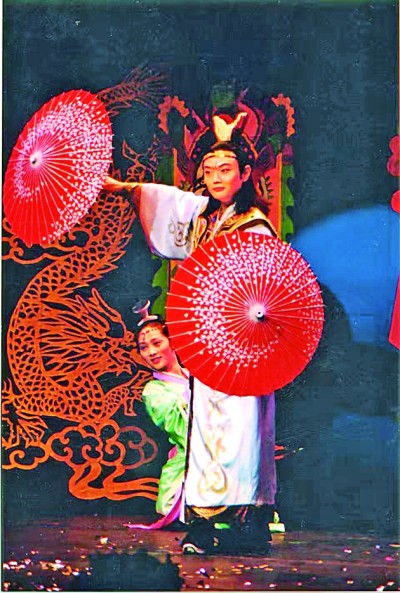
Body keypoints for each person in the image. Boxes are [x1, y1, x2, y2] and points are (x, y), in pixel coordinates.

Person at [105, 132, 277, 555]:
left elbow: (267, 286)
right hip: (207, 341)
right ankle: (203, 523)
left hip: (243, 342)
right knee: (205, 431)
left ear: (245, 174)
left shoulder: (254, 224)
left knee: (242, 433)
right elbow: (170, 201)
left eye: (225, 169)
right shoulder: (205, 218)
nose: (216, 178)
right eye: (209, 171)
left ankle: (245, 524)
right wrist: (124, 188)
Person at [125, 317, 190, 530]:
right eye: (144, 348)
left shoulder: (196, 377)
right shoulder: (153, 391)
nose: (151, 352)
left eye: (157, 343)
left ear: (173, 341)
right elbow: (182, 431)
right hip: (188, 466)